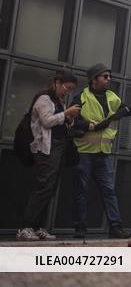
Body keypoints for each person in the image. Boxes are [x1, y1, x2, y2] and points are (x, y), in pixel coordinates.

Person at [71, 63, 131, 239]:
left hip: (103, 153)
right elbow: (71, 121)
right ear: (94, 79)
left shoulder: (113, 97)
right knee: (81, 191)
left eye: (109, 76)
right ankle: (80, 228)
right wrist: (88, 125)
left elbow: (129, 109)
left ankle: (115, 227)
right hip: (84, 152)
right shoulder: (81, 98)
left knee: (109, 191)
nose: (109, 79)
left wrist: (118, 115)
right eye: (105, 76)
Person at [18, 69, 81, 241]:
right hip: (45, 149)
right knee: (43, 187)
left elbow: (60, 122)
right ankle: (26, 227)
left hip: (58, 148)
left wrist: (69, 118)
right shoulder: (44, 99)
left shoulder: (58, 101)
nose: (67, 92)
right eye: (66, 88)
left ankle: (38, 227)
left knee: (50, 189)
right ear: (57, 83)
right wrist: (66, 114)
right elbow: (46, 121)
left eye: (71, 90)